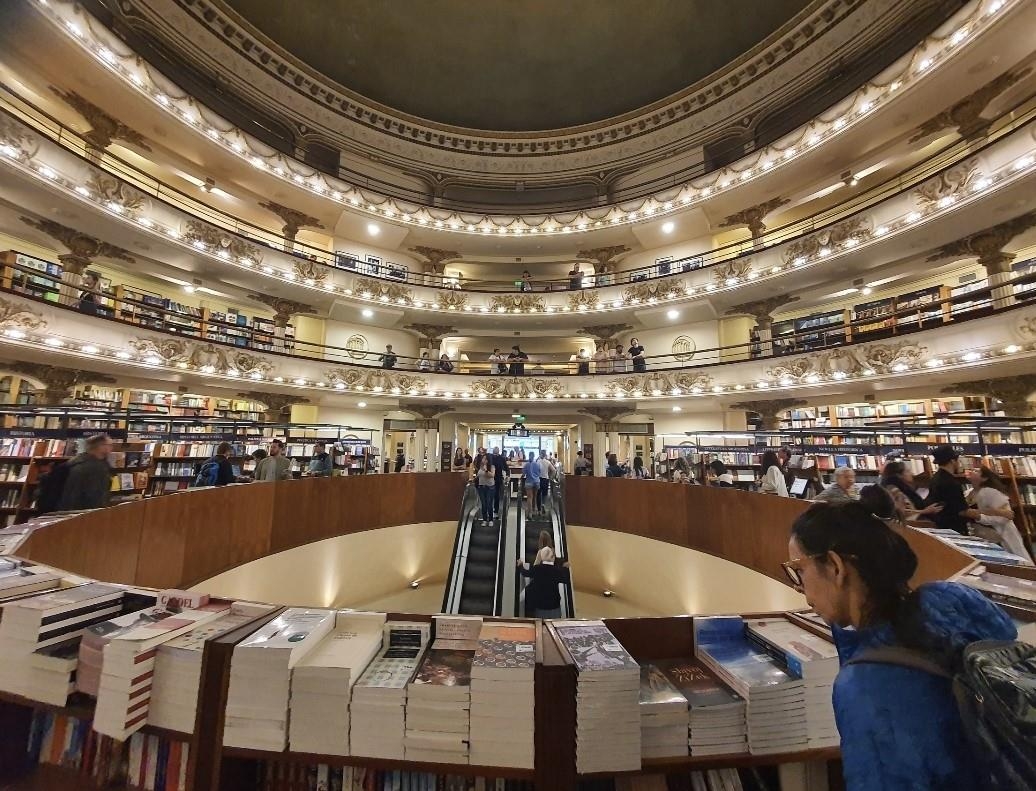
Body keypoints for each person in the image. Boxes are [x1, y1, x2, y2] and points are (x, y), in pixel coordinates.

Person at [785, 501, 1016, 791]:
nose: (799, 587)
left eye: (799, 570)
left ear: (835, 566)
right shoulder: (954, 599)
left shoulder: (864, 686)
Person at [966, 467, 1031, 560]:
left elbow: (1005, 516)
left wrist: (980, 518)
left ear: (984, 478)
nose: (971, 471)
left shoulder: (990, 492)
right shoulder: (968, 493)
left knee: (1017, 562)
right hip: (984, 536)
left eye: (976, 471)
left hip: (1002, 535)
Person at [924, 445, 972, 535]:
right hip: (954, 529)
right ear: (952, 461)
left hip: (941, 527)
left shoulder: (935, 478)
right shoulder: (951, 482)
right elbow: (961, 510)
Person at [58, 433, 113, 510]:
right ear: (101, 446)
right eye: (110, 445)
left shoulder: (76, 462)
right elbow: (96, 495)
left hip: (70, 510)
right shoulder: (95, 467)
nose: (111, 448)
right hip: (86, 513)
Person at [517, 542, 570, 618]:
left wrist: (520, 565)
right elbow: (565, 580)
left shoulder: (537, 569)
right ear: (553, 557)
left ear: (541, 557)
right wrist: (565, 568)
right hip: (554, 605)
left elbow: (525, 573)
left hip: (540, 606)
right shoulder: (557, 571)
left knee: (541, 625)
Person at [475, 454, 496, 525]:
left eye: (485, 459)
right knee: (483, 504)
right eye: (483, 458)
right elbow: (478, 475)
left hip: (490, 487)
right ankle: (484, 519)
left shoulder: (492, 467)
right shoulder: (480, 467)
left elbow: (492, 475)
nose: (483, 460)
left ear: (488, 460)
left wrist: (486, 470)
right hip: (481, 487)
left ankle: (490, 520)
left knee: (489, 503)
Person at [490, 446, 508, 518]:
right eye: (494, 450)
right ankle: (490, 509)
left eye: (497, 450)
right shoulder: (490, 457)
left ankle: (496, 510)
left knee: (496, 495)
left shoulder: (501, 458)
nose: (495, 451)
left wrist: (507, 475)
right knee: (490, 495)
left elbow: (506, 467)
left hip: (498, 479)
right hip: (490, 478)